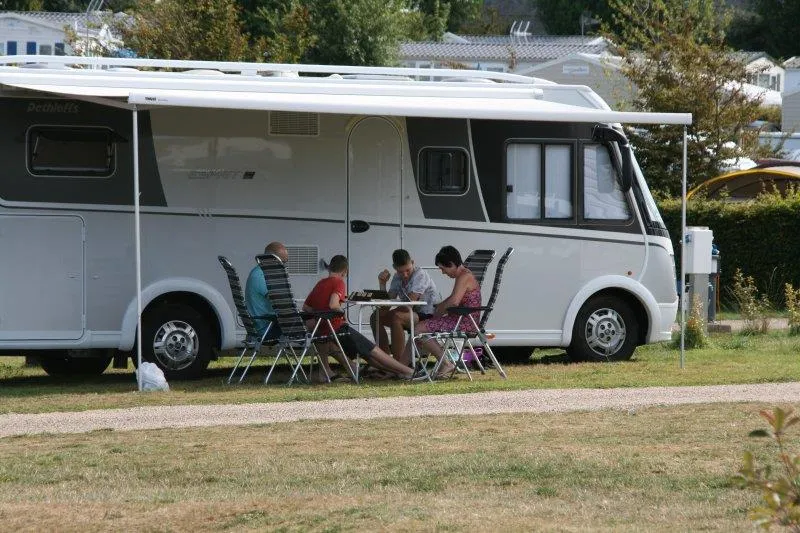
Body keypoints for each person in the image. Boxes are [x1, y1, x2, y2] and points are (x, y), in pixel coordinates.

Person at [303, 255, 418, 381]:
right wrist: (342, 313)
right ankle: (407, 371)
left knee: (367, 354)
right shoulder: (338, 282)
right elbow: (333, 304)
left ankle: (396, 372)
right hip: (337, 328)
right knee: (373, 351)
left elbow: (306, 307)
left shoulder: (320, 283)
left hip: (323, 330)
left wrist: (319, 313)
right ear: (345, 271)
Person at [399, 245, 481, 377]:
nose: (443, 272)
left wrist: (438, 312)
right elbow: (453, 298)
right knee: (418, 328)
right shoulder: (464, 275)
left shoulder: (464, 276)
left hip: (464, 322)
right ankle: (400, 368)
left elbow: (454, 301)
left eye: (443, 268)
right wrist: (439, 308)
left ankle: (446, 363)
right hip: (461, 319)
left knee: (419, 329)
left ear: (451, 264)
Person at [371, 249, 439, 358]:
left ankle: (399, 363)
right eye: (400, 272)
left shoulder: (420, 275)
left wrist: (390, 311)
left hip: (428, 315)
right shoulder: (397, 277)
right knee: (375, 316)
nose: (405, 275)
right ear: (394, 267)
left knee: (397, 317)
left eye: (408, 270)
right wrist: (382, 284)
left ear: (412, 262)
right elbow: (386, 306)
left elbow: (409, 304)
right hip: (411, 314)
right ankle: (385, 359)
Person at [245, 241, 287, 341]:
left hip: (262, 326)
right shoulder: (261, 276)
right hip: (267, 329)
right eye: (282, 262)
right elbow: (280, 303)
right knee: (313, 324)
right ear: (271, 259)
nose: (284, 266)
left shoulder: (257, 272)